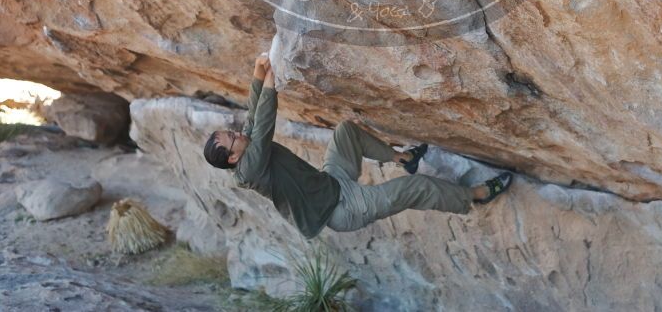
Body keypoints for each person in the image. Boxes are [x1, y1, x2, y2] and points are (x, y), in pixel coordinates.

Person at [202, 53, 513, 239]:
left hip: (330, 183)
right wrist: (272, 81)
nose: (237, 133)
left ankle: (402, 157)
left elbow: (252, 123)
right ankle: (474, 195)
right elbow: (265, 122)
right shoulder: (250, 169)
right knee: (414, 188)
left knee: (346, 132)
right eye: (232, 138)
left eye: (232, 133)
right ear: (232, 158)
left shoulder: (245, 149)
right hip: (342, 209)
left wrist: (258, 75)